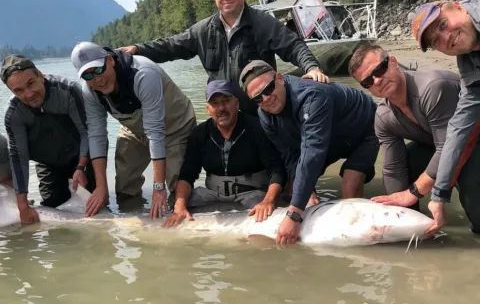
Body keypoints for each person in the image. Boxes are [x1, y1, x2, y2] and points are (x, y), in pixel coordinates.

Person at [120, 0, 328, 113]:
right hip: (223, 112)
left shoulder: (262, 23)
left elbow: (293, 46)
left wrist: (312, 68)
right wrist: (138, 49)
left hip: (259, 109)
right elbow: (170, 46)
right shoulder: (202, 30)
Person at [240, 60, 379, 245]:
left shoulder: (312, 96)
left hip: (363, 129)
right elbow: (290, 155)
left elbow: (313, 152)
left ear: (280, 78)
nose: (266, 98)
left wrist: (294, 213)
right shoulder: (265, 116)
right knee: (298, 191)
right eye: (258, 98)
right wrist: (307, 193)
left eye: (269, 88)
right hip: (329, 138)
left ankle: (358, 246)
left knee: (350, 189)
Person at [349, 43, 480, 231]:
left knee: (475, 204)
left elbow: (449, 147)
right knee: (406, 164)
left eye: (380, 69)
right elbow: (394, 168)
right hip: (442, 146)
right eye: (367, 82)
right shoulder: (383, 118)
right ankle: (419, 228)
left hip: (472, 143)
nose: (377, 81)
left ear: (393, 62)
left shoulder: (433, 88)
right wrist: (398, 215)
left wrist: (415, 191)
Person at [71, 41, 196, 218]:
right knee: (124, 187)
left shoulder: (143, 73)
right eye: (88, 75)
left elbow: (155, 131)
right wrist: (101, 187)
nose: (97, 79)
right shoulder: (90, 91)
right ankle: (134, 224)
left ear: (110, 60)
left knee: (178, 193)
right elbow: (96, 134)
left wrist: (158, 187)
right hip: (135, 130)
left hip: (176, 127)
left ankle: (176, 220)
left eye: (98, 70)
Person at [163, 80, 287, 228]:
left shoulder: (257, 127)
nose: (221, 108)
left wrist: (268, 201)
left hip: (252, 194)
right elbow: (187, 176)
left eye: (226, 101)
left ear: (237, 102)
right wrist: (180, 207)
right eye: (215, 103)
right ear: (208, 108)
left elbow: (277, 170)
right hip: (213, 194)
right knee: (175, 203)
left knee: (272, 212)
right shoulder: (199, 133)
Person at [411, 0, 480, 233]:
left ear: (459, 7)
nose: (446, 37)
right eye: (435, 41)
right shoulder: (470, 65)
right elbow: (458, 130)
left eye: (442, 25)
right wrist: (439, 195)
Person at [1, 55, 94, 224]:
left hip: (83, 156)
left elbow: (87, 132)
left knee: (97, 208)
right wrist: (23, 206)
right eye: (18, 91)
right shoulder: (13, 114)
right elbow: (19, 157)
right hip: (49, 163)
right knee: (51, 207)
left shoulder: (68, 90)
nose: (28, 94)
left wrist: (81, 166)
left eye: (30, 83)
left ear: (40, 75)